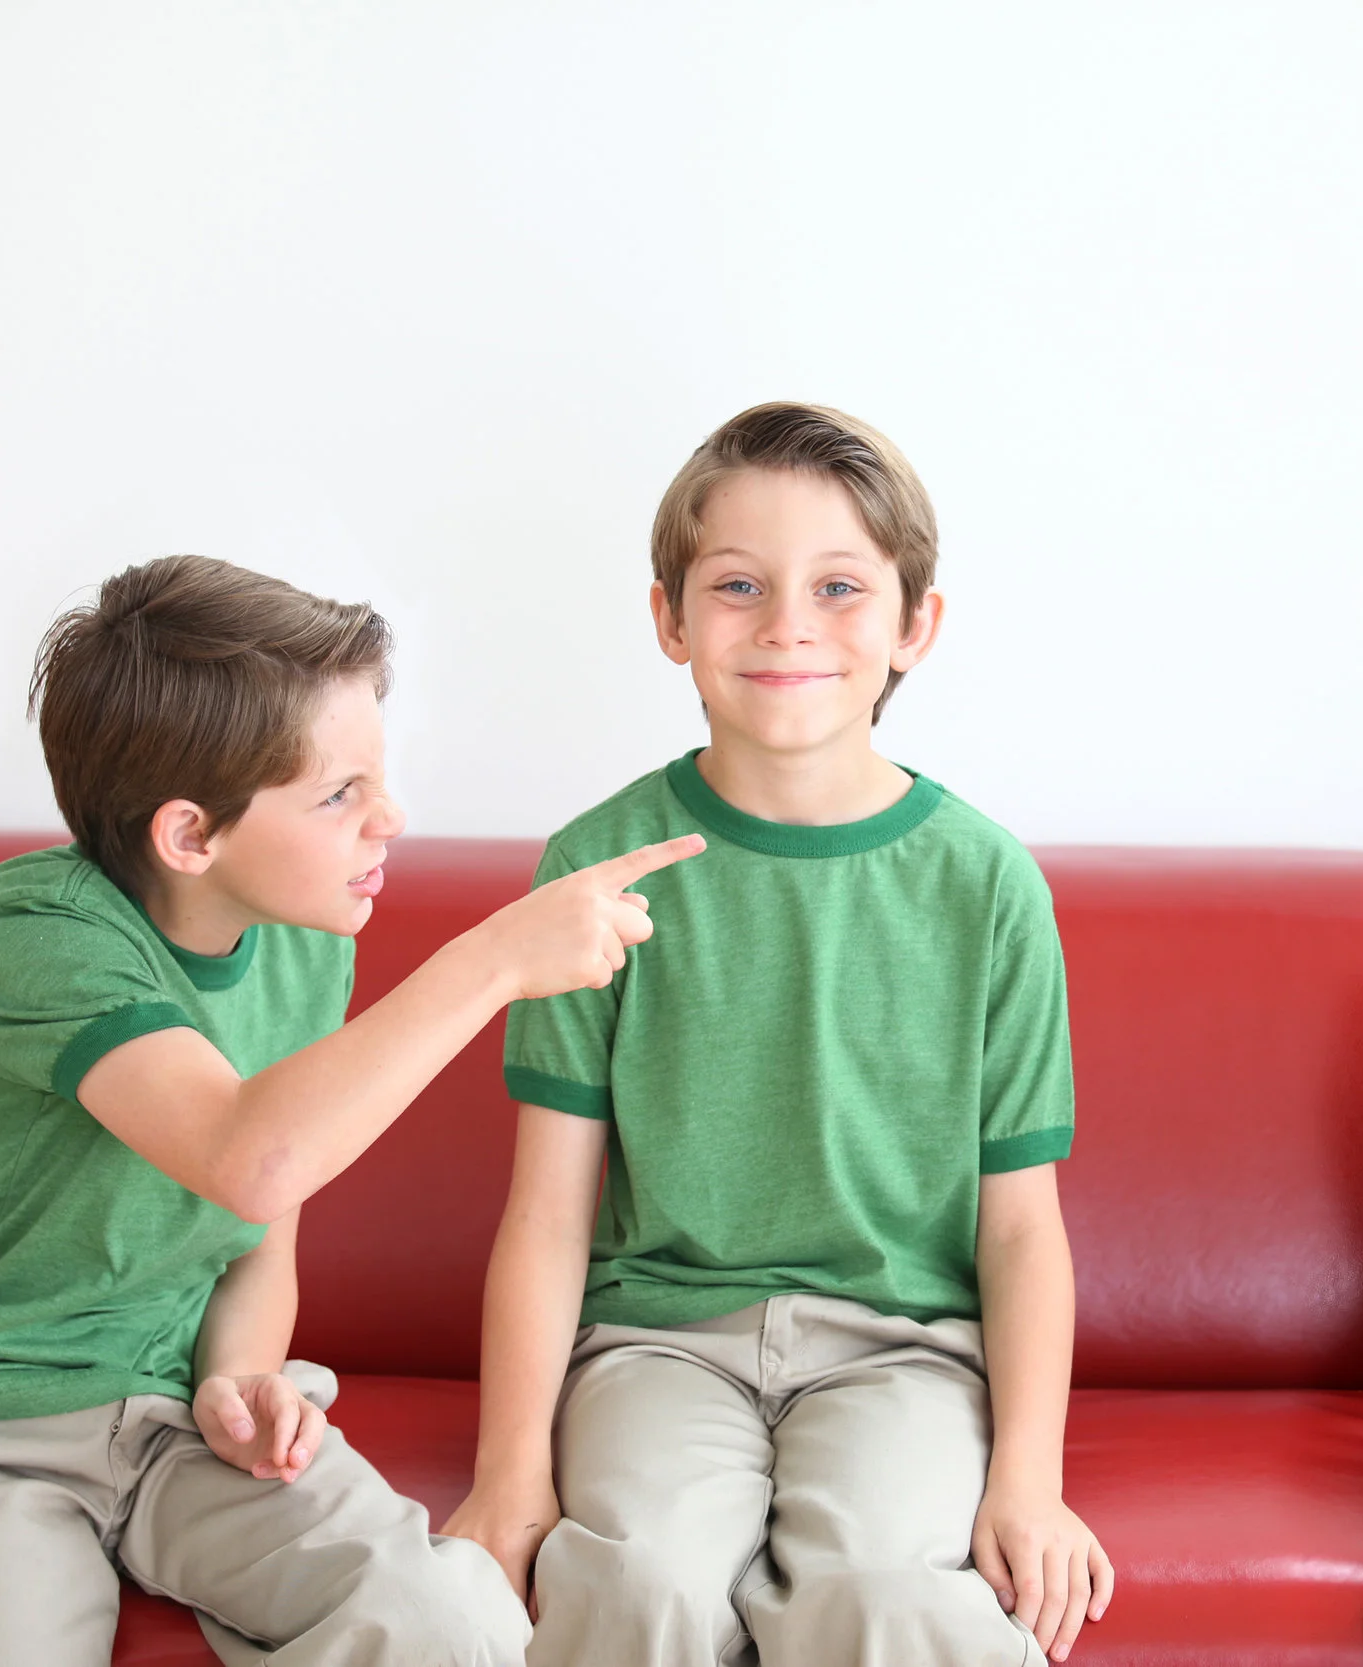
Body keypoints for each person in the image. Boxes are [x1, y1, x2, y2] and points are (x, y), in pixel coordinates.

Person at [0, 553, 698, 1667]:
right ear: (191, 835)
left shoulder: (299, 937)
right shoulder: (36, 932)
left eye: (379, 776)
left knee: (455, 1622)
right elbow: (249, 1158)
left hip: (178, 1418)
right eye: (340, 794)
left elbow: (260, 1233)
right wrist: (491, 962)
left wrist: (241, 1375)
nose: (392, 817)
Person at [443, 402, 1111, 1666]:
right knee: (640, 1584)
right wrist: (508, 1472)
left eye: (840, 587)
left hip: (904, 1352)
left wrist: (1027, 1475)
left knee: (877, 1592)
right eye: (738, 584)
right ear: (670, 620)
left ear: (917, 623)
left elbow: (1020, 1222)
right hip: (655, 1341)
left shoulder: (987, 882)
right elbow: (544, 1213)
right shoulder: (596, 864)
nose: (788, 624)